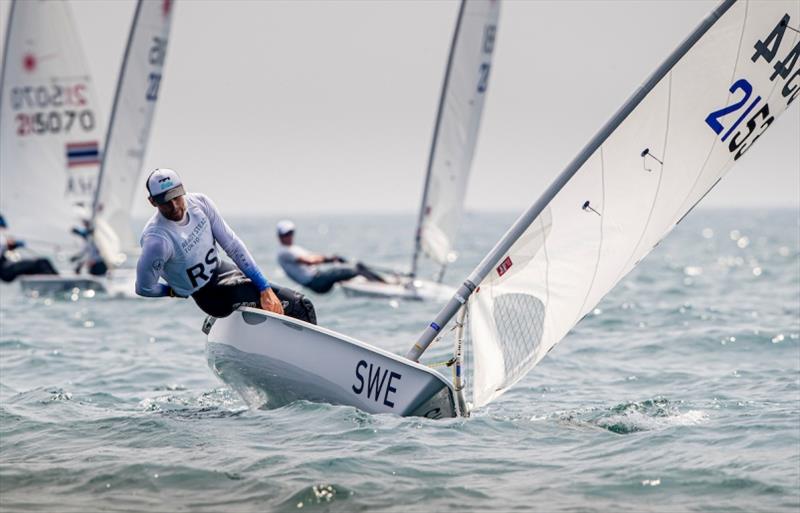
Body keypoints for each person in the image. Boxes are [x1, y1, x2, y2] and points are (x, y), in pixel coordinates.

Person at [135, 169, 316, 323]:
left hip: (225, 271)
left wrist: (264, 287)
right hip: (212, 296)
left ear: (183, 189)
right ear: (153, 202)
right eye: (165, 201)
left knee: (285, 303)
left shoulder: (200, 204)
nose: (174, 206)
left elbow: (233, 246)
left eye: (176, 196)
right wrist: (173, 291)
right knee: (300, 307)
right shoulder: (157, 241)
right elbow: (144, 288)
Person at [276, 219, 385, 294]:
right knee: (356, 269)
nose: (289, 236)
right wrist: (330, 259)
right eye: (286, 234)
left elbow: (313, 255)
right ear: (280, 236)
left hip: (319, 277)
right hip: (316, 283)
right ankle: (382, 284)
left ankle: (377, 279)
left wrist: (333, 258)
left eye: (291, 233)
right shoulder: (284, 252)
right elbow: (309, 261)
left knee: (357, 266)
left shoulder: (293, 248)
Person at [0, 214, 59, 282]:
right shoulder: (2, 239)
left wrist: (12, 245)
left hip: (6, 268)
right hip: (5, 271)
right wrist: (12, 243)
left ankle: (55, 279)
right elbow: (4, 242)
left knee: (43, 262)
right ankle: (56, 282)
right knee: (41, 263)